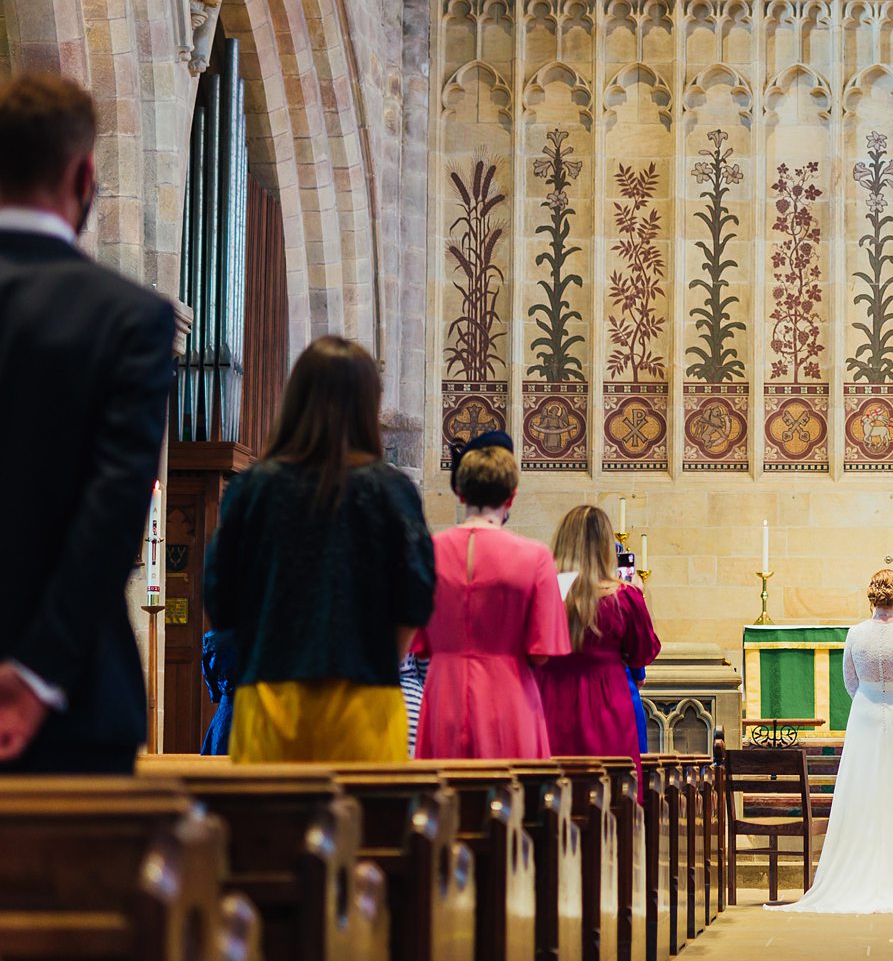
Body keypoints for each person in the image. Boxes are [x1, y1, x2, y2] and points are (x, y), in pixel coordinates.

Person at [0, 73, 177, 773]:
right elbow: (112, 515)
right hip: (76, 699)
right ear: (83, 176)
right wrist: (36, 675)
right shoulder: (129, 318)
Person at [203, 336, 437, 763]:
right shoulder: (391, 490)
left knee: (271, 808)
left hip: (269, 697)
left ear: (295, 400)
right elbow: (416, 596)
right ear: (368, 405)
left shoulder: (252, 488)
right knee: (363, 808)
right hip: (365, 700)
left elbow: (219, 597)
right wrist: (380, 658)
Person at [768, 569, 893, 915]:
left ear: (871, 598)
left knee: (863, 787)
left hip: (864, 712)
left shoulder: (856, 633)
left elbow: (850, 680)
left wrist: (869, 699)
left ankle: (856, 871)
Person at [414, 445, 569, 759]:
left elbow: (419, 643)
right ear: (511, 497)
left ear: (460, 493)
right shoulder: (535, 557)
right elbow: (541, 653)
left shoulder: (426, 552)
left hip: (444, 691)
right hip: (508, 695)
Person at [538, 504, 661, 790]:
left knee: (554, 790)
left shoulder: (543, 591)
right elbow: (643, 652)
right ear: (606, 546)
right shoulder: (625, 596)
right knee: (612, 791)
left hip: (550, 697)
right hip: (606, 701)